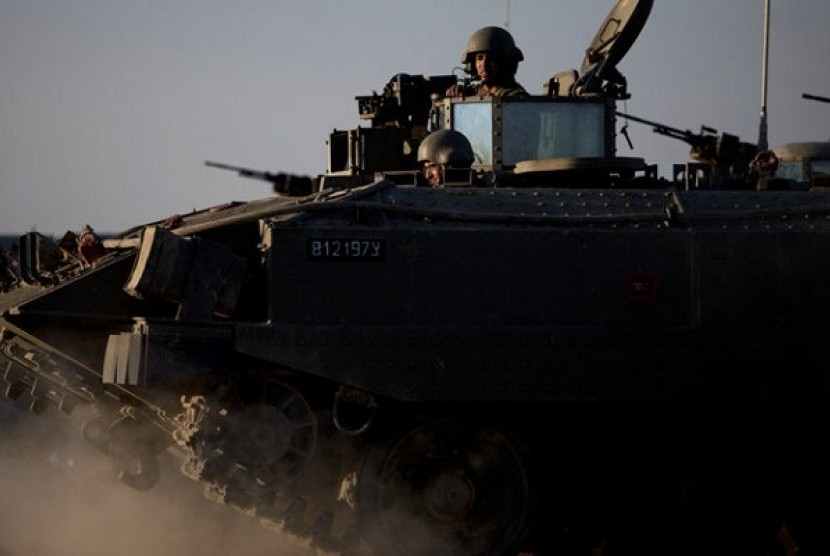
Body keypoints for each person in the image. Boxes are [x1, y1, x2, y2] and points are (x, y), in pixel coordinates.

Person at [446, 26, 528, 98]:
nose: (484, 65)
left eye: (491, 59)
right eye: (480, 58)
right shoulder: (472, 91)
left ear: (506, 64)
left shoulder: (515, 98)